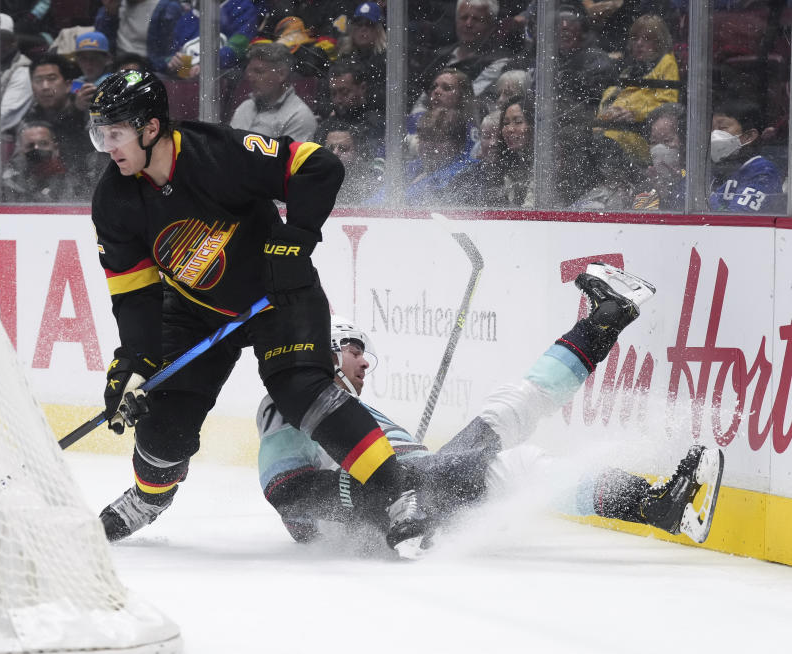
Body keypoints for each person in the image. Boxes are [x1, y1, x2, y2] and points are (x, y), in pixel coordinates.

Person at [87, 69, 429, 557]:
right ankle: (147, 497)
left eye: (115, 133)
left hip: (279, 291)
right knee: (164, 427)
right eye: (101, 134)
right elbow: (134, 292)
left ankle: (399, 494)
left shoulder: (218, 152)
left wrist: (298, 239)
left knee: (303, 394)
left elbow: (320, 166)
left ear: (150, 128)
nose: (107, 146)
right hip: (196, 310)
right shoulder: (114, 197)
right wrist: (136, 362)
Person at [256, 264, 725, 552]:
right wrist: (391, 496)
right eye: (355, 349)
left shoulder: (334, 404)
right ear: (328, 349)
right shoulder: (287, 402)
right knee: (519, 465)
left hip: (423, 479)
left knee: (507, 411)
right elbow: (286, 491)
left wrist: (395, 491)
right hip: (412, 493)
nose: (364, 363)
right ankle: (660, 505)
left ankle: (607, 316)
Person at [595, 14, 679, 166]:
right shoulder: (629, 67)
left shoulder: (667, 63)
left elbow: (667, 104)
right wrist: (609, 111)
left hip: (643, 133)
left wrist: (635, 113)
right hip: (614, 126)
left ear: (659, 42)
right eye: (635, 38)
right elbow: (610, 93)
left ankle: (617, 185)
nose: (639, 44)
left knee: (604, 142)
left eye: (647, 39)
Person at [22, 52, 98, 186]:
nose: (45, 86)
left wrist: (77, 111)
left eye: (51, 79)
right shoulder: (30, 116)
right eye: (38, 80)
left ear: (68, 85)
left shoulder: (87, 109)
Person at [228, 42, 318, 142]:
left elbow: (291, 158)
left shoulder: (299, 117)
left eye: (259, 72)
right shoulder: (244, 107)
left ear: (281, 74)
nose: (251, 78)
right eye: (249, 72)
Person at [708, 98, 784, 214]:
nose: (714, 135)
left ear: (749, 136)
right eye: (712, 129)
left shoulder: (763, 171)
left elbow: (737, 217)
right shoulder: (707, 167)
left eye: (722, 128)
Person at [1, 120, 78, 202]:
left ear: (56, 148)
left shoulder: (71, 180)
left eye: (44, 143)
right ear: (21, 150)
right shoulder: (12, 183)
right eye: (30, 145)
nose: (37, 148)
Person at [71, 31, 112, 110]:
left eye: (95, 58)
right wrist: (76, 106)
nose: (88, 64)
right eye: (83, 59)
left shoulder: (114, 83)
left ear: (107, 59)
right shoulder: (76, 84)